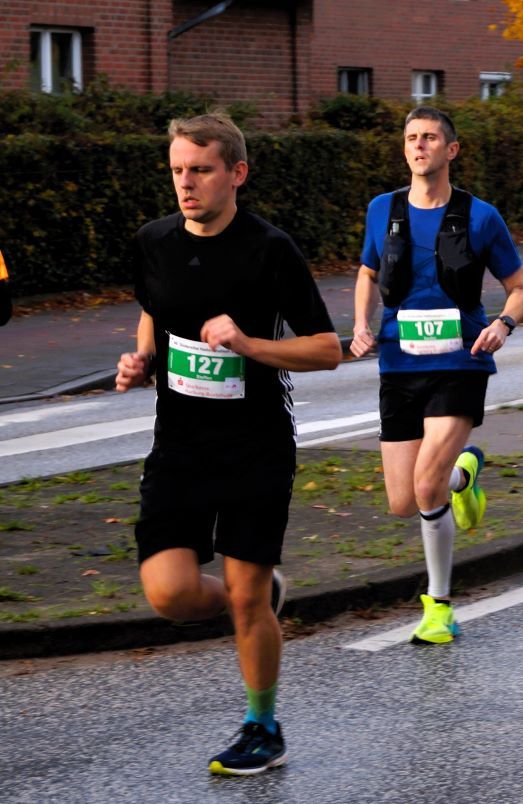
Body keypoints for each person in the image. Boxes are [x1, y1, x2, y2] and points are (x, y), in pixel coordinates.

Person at [117, 113, 341, 774]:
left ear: (236, 174)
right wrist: (141, 360)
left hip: (255, 445)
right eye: (179, 170)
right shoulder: (153, 241)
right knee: (170, 593)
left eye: (202, 170)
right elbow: (155, 309)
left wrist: (249, 345)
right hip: (179, 445)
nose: (187, 184)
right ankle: (258, 604)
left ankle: (262, 726)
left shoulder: (270, 250)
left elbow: (327, 350)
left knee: (245, 592)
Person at [348, 107, 523, 644]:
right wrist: (361, 323)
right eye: (411, 138)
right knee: (404, 500)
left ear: (451, 150)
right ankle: (463, 475)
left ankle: (439, 604)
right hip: (398, 364)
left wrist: (502, 323)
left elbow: (520, 289)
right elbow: (367, 271)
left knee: (424, 483)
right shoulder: (382, 210)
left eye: (429, 137)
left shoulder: (480, 217)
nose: (418, 145)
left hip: (459, 361)